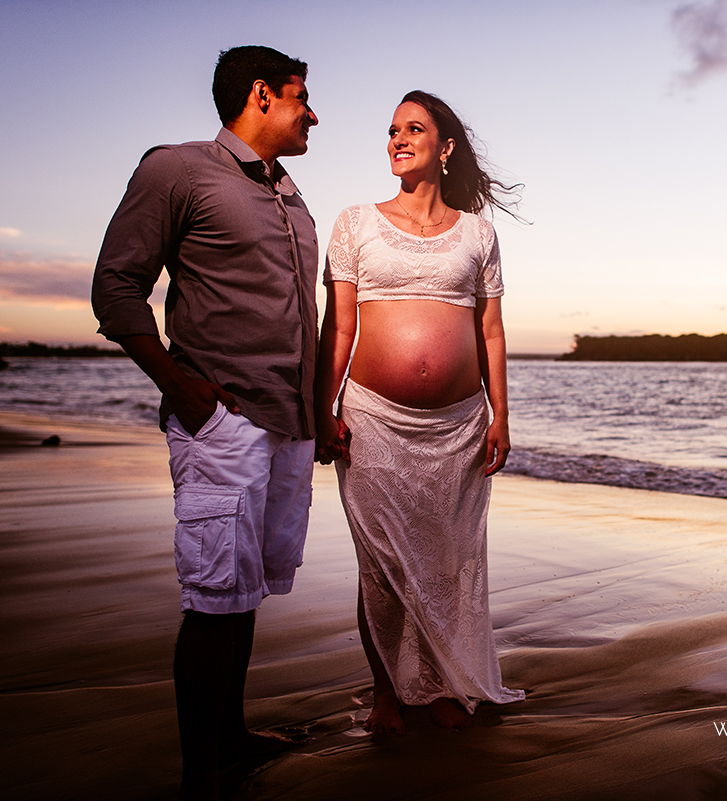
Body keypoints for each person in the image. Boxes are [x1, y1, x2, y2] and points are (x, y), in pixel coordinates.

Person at [91, 46, 320, 799]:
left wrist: (316, 412)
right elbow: (117, 288)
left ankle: (233, 737)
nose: (312, 113)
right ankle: (201, 776)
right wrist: (180, 385)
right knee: (213, 593)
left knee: (244, 588)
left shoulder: (291, 194)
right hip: (222, 419)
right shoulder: (178, 169)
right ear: (260, 95)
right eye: (301, 98)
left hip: (285, 424)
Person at [315, 90, 524, 734]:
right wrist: (323, 404)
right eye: (392, 130)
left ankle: (433, 685)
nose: (398, 140)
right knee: (381, 563)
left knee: (446, 560)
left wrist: (500, 415)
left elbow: (490, 330)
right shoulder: (355, 223)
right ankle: (386, 692)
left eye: (414, 129)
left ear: (446, 146)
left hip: (460, 425)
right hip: (373, 417)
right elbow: (339, 327)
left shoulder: (479, 234)